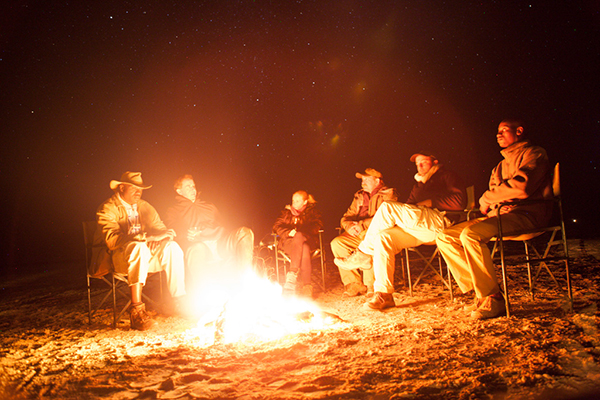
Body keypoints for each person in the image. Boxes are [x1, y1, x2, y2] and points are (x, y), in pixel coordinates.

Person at [435, 118, 553, 320]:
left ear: (519, 131)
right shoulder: (498, 167)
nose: (498, 134)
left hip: (527, 216)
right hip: (500, 216)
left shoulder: (534, 154)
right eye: (497, 131)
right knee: (445, 237)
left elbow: (521, 187)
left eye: (504, 130)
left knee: (470, 234)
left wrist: (488, 198)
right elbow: (491, 203)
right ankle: (483, 293)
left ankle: (493, 299)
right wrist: (496, 203)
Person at [336, 152, 466, 310]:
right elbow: (409, 206)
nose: (420, 166)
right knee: (383, 237)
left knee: (387, 207)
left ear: (435, 161)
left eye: (424, 162)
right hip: (418, 228)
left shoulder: (447, 176)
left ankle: (363, 253)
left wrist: (430, 202)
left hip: (440, 222)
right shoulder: (418, 185)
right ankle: (384, 294)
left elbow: (459, 201)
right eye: (417, 164)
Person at [93, 171, 186, 330]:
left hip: (145, 258)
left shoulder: (145, 207)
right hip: (118, 260)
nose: (138, 192)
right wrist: (147, 238)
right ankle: (137, 311)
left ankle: (180, 301)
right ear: (122, 188)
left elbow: (160, 229)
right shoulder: (107, 208)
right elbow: (112, 240)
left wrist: (162, 238)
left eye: (141, 189)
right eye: (134, 188)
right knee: (139, 247)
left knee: (172, 247)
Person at [164, 174, 254, 293]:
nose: (193, 189)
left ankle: (245, 284)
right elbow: (171, 230)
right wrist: (185, 233)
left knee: (245, 233)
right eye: (188, 187)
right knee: (195, 249)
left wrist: (207, 229)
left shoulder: (209, 206)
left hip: (220, 242)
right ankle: (205, 294)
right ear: (179, 191)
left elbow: (225, 224)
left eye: (193, 186)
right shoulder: (173, 211)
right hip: (199, 246)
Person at [331, 168, 398, 297]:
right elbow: (346, 217)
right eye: (362, 180)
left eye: (366, 179)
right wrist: (349, 226)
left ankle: (371, 285)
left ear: (377, 180)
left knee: (370, 242)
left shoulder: (388, 194)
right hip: (358, 232)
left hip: (376, 233)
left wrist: (362, 225)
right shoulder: (360, 196)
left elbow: (387, 218)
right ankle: (354, 284)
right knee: (337, 243)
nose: (363, 182)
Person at [273, 190, 323, 298]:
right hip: (289, 243)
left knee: (301, 240)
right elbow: (276, 227)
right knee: (303, 247)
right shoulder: (286, 212)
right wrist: (288, 232)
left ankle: (292, 276)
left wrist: (302, 232)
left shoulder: (312, 213)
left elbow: (317, 226)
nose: (294, 203)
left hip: (307, 240)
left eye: (297, 200)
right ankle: (307, 286)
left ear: (305, 202)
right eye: (293, 200)